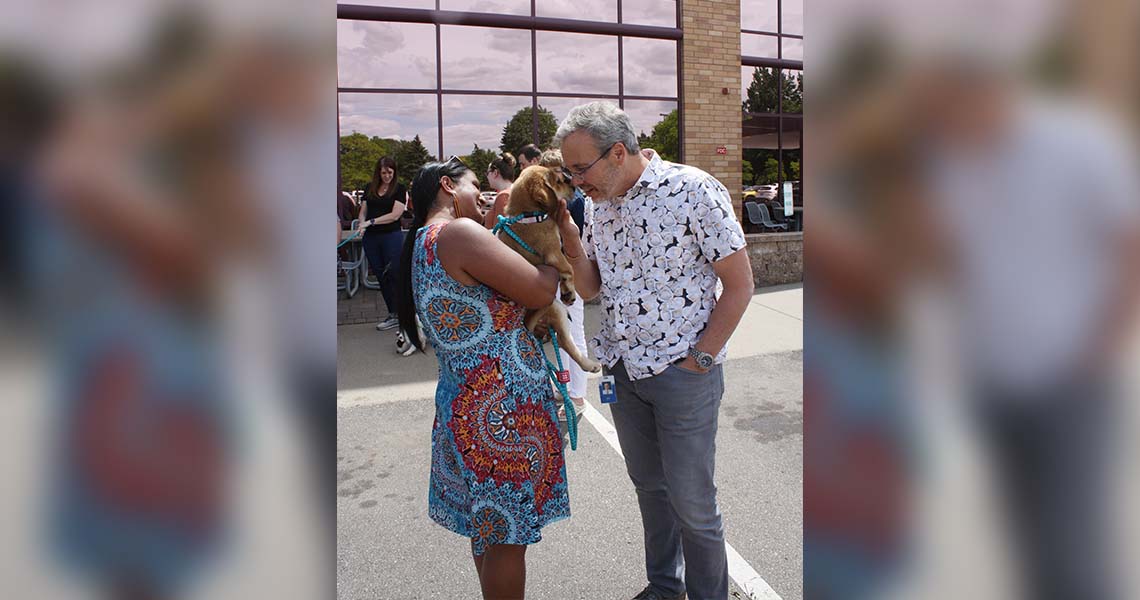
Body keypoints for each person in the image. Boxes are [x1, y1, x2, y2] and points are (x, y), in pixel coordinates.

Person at [553, 102, 754, 600]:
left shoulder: (693, 190)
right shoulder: (600, 204)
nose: (576, 181)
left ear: (617, 152)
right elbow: (593, 289)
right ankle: (666, 587)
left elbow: (740, 284)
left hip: (684, 375)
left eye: (581, 168)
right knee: (650, 490)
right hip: (624, 371)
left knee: (694, 505)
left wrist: (701, 359)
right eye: (569, 171)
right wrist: (572, 239)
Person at [396, 157, 571, 599]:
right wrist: (550, 251)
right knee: (507, 539)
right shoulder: (457, 234)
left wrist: (497, 224)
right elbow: (539, 290)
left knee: (490, 528)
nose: (486, 193)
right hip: (501, 410)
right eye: (476, 185)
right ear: (447, 187)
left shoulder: (424, 239)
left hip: (465, 402)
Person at [537, 149, 591, 421]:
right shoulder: (564, 198)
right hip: (561, 273)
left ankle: (578, 394)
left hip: (569, 275)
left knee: (573, 332)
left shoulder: (572, 200)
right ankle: (567, 386)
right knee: (564, 332)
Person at [357, 156, 407, 331]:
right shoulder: (369, 188)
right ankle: (393, 314)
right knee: (381, 276)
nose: (387, 176)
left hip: (391, 236)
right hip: (371, 238)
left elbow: (395, 215)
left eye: (390, 173)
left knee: (394, 274)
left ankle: (406, 315)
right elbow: (363, 211)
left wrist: (371, 222)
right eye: (384, 172)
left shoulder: (400, 189)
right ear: (378, 172)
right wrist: (362, 223)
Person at [481, 152, 517, 229]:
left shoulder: (504, 196)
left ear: (495, 173)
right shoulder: (514, 190)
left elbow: (498, 232)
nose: (487, 177)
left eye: (487, 173)